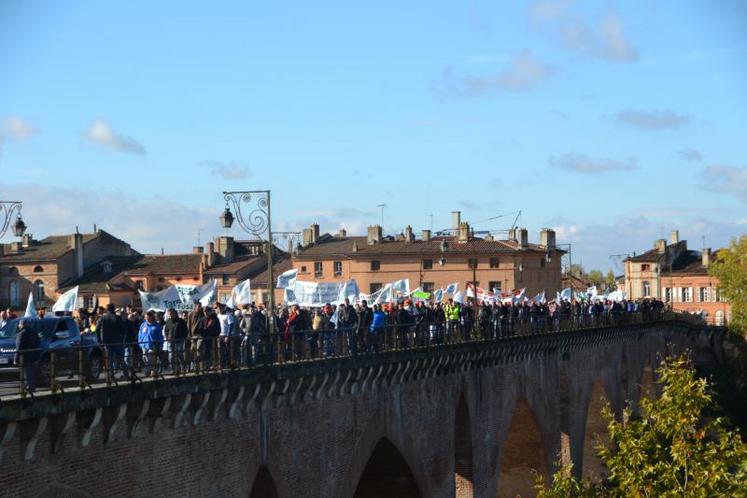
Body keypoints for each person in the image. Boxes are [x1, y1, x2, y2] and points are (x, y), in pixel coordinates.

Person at [97, 303, 126, 377]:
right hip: (117, 341)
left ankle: (111, 375)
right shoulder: (118, 318)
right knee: (121, 359)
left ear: (107, 309)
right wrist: (122, 338)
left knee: (109, 359)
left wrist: (99, 341)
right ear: (113, 309)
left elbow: (97, 330)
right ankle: (126, 374)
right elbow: (123, 329)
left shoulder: (102, 318)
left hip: (106, 342)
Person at [15, 319, 41, 393]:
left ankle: (28, 388)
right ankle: (32, 387)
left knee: (26, 373)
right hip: (33, 355)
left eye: (19, 325)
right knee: (31, 372)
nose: (19, 326)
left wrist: (15, 359)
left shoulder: (21, 334)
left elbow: (19, 348)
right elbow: (38, 343)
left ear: (22, 325)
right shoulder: (34, 333)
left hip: (25, 357)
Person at [138, 310, 163, 377]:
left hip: (153, 346)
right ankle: (151, 371)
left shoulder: (157, 325)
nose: (147, 319)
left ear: (152, 317)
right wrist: (140, 343)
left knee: (150, 359)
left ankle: (151, 372)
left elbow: (160, 336)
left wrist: (160, 345)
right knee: (145, 359)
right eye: (146, 317)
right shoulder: (143, 325)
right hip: (144, 345)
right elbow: (140, 335)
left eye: (148, 317)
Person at [164, 308, 188, 372]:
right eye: (169, 314)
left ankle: (183, 367)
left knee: (180, 354)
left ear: (175, 313)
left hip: (179, 340)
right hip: (170, 340)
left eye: (171, 314)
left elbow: (185, 330)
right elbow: (166, 330)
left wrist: (183, 337)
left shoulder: (180, 321)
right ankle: (172, 369)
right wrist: (167, 338)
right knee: (171, 355)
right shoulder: (169, 321)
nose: (170, 315)